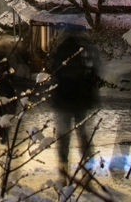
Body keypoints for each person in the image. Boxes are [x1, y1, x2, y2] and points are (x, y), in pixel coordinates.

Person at [48, 34, 102, 178]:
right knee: (83, 135)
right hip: (81, 99)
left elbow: (53, 73)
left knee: (64, 137)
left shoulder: (61, 50)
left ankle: (64, 173)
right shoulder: (85, 50)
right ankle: (87, 173)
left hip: (64, 99)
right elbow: (94, 73)